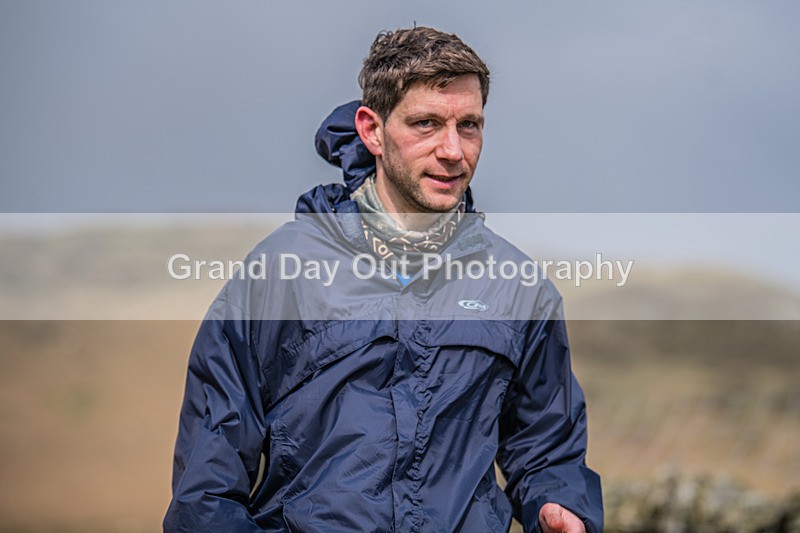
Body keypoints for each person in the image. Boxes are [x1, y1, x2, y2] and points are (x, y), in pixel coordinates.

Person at [164, 26, 603, 533]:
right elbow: (207, 484)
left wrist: (559, 505)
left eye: (469, 125)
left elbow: (549, 450)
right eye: (426, 124)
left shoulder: (519, 289)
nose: (453, 150)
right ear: (372, 129)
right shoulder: (280, 273)